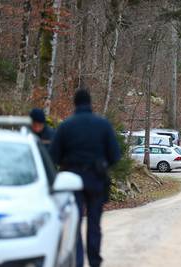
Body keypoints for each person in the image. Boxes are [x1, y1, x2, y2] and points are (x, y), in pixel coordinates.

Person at [50, 89, 121, 267]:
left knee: (74, 223)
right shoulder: (103, 125)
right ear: (90, 103)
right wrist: (103, 165)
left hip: (72, 180)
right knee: (94, 224)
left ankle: (79, 261)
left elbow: (53, 156)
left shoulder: (66, 126)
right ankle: (95, 261)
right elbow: (115, 155)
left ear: (75, 103)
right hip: (96, 179)